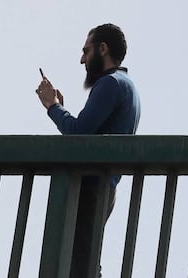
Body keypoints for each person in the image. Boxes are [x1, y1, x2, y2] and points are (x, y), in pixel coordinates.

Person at [36, 23, 141, 277]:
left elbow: (77, 132)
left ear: (102, 49)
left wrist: (52, 106)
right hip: (106, 187)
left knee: (79, 264)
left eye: (86, 50)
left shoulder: (110, 84)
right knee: (85, 259)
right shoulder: (127, 85)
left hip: (93, 187)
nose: (82, 59)